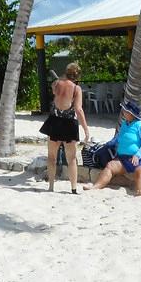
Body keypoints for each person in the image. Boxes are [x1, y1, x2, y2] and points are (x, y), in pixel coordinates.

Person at [82, 99, 141, 196]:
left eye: (125, 110)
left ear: (131, 113)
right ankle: (96, 186)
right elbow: (118, 138)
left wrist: (137, 155)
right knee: (110, 166)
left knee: (140, 171)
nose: (123, 112)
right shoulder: (124, 124)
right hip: (124, 159)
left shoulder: (140, 126)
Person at [39, 62, 90, 193]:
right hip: (68, 124)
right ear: (77, 75)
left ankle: (51, 186)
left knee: (51, 157)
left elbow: (54, 90)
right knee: (72, 159)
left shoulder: (56, 84)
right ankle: (73, 188)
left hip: (54, 121)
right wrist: (86, 129)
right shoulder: (76, 88)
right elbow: (78, 109)